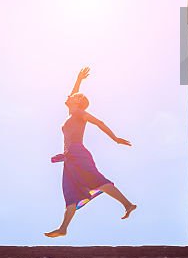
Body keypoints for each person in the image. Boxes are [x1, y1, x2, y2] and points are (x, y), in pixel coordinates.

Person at [44, 66, 137, 238]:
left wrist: (115, 138)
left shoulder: (80, 113)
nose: (68, 97)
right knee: (70, 191)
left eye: (72, 97)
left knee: (96, 180)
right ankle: (63, 228)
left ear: (77, 102)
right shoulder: (72, 113)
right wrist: (78, 80)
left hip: (78, 153)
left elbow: (99, 122)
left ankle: (127, 204)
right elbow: (72, 94)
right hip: (69, 158)